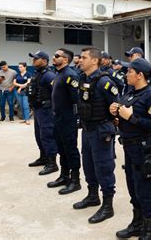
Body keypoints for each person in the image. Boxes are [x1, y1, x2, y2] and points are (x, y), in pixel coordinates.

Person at [110, 58, 151, 240]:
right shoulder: (130, 92)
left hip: (143, 148)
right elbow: (124, 116)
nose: (126, 75)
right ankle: (137, 223)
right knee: (133, 187)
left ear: (140, 75)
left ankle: (149, 230)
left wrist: (131, 118)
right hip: (128, 147)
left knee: (144, 188)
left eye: (129, 72)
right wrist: (116, 115)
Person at [73, 47, 118, 224]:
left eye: (84, 57)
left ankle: (108, 205)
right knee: (88, 164)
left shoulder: (105, 82)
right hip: (87, 129)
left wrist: (112, 123)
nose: (80, 60)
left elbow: (115, 107)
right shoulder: (82, 78)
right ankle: (93, 195)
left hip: (101, 130)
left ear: (94, 61)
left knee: (104, 166)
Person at [47, 48, 82, 195]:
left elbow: (77, 99)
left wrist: (77, 117)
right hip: (57, 118)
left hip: (68, 119)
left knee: (70, 149)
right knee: (61, 148)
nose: (53, 58)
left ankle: (75, 181)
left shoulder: (70, 75)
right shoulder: (59, 74)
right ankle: (64, 175)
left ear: (66, 59)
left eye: (57, 56)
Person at [27, 51, 59, 175]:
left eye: (36, 59)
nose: (33, 60)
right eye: (33, 59)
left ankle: (52, 163)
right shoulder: (37, 74)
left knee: (47, 135)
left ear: (44, 61)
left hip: (46, 110)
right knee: (39, 135)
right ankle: (43, 157)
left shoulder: (49, 75)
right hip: (38, 110)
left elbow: (57, 93)